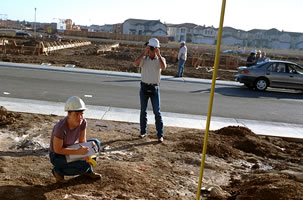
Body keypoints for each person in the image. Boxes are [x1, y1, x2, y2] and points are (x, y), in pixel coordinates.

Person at [49, 96, 101, 183]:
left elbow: (82, 141)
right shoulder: (60, 127)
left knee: (95, 144)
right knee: (82, 166)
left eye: (81, 114)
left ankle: (88, 171)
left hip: (70, 149)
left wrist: (86, 154)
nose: (80, 117)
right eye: (76, 114)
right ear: (69, 114)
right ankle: (58, 171)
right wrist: (78, 152)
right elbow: (57, 149)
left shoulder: (83, 122)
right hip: (57, 156)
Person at [135, 38, 167, 143]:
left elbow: (163, 67)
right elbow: (136, 63)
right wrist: (144, 52)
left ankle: (160, 135)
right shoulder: (144, 59)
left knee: (157, 112)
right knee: (143, 111)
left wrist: (159, 54)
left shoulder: (160, 60)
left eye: (150, 48)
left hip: (154, 88)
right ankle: (143, 132)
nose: (149, 50)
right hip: (144, 86)